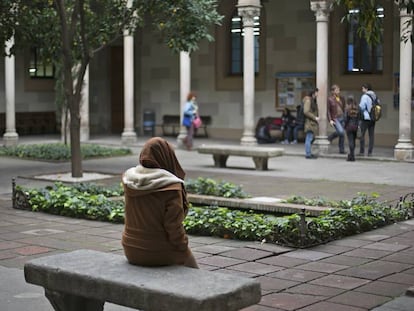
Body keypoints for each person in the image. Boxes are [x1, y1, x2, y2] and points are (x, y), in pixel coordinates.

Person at [121, 137, 199, 268]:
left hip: (130, 248)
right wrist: (184, 249)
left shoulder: (130, 180)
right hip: (157, 252)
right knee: (192, 265)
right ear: (167, 156)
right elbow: (174, 228)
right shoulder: (171, 187)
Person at [359, 83, 377, 156]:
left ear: (366, 89)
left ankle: (362, 151)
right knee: (371, 135)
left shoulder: (365, 96)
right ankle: (370, 152)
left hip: (366, 117)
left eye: (363, 88)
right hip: (373, 118)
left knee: (362, 134)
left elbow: (362, 107)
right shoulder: (374, 95)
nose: (362, 90)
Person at [327, 84, 346, 154]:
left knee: (342, 134)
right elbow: (328, 110)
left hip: (342, 117)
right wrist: (330, 120)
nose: (338, 91)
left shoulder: (342, 98)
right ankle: (330, 137)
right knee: (341, 132)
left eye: (339, 90)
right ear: (333, 91)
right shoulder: (330, 99)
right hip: (335, 118)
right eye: (337, 90)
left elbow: (343, 107)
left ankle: (342, 149)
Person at [303, 88, 319, 159]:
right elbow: (306, 111)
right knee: (309, 138)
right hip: (309, 123)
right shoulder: (308, 100)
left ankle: (309, 152)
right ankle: (308, 154)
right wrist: (315, 117)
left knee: (311, 138)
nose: (317, 94)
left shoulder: (313, 101)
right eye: (316, 92)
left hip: (312, 123)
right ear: (313, 93)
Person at [344, 95, 359, 162]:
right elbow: (359, 118)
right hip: (355, 127)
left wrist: (345, 126)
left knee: (350, 141)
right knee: (353, 141)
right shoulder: (356, 108)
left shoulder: (347, 109)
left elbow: (345, 118)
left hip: (349, 127)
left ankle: (352, 156)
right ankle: (352, 155)